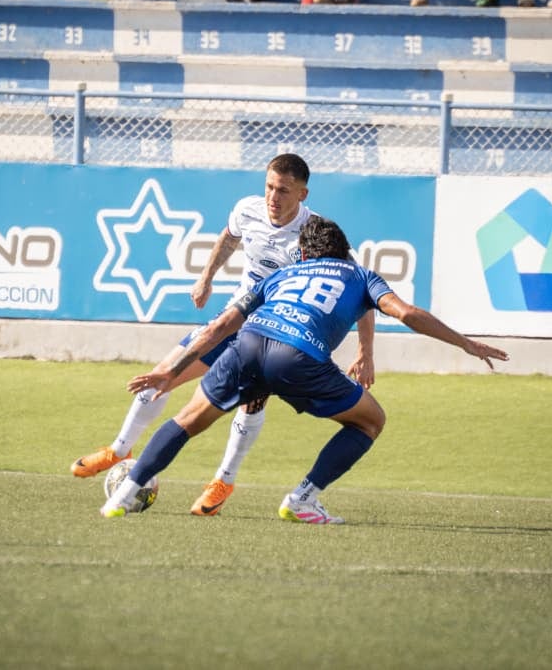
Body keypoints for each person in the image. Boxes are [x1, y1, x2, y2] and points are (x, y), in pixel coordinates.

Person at [101, 216, 509, 523]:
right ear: (343, 250)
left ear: (306, 252)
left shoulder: (283, 274)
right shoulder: (361, 274)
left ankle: (123, 496)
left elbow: (222, 325)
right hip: (298, 356)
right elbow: (407, 314)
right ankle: (302, 499)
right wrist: (465, 344)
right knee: (371, 420)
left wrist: (171, 372)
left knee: (187, 419)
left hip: (249, 343)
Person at [73, 154, 376, 517]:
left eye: (283, 190)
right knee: (163, 375)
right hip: (232, 316)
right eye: (269, 187)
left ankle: (223, 480)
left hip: (271, 330)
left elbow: (360, 290)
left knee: (251, 402)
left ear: (302, 193)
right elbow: (228, 239)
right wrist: (206, 277)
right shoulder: (248, 209)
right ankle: (119, 450)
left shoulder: (318, 235)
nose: (272, 197)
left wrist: (365, 352)